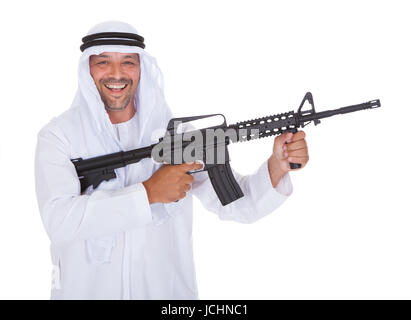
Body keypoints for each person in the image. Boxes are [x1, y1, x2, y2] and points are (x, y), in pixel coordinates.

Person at [34, 21, 309, 300]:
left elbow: (241, 206)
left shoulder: (182, 137)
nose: (116, 73)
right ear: (87, 69)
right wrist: (149, 192)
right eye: (103, 62)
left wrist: (277, 164)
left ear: (142, 68)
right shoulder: (59, 137)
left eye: (128, 62)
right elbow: (60, 221)